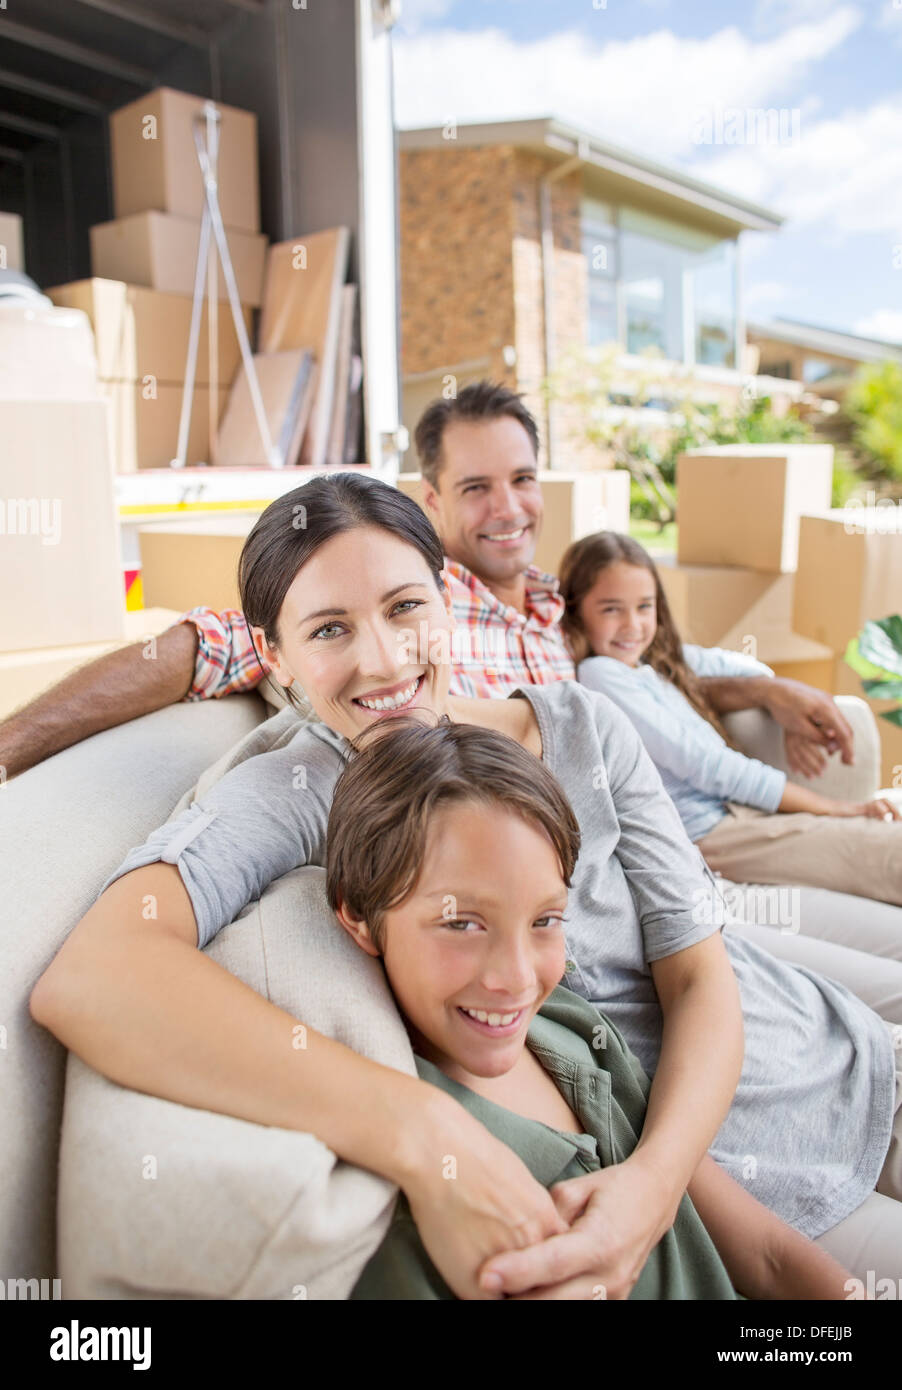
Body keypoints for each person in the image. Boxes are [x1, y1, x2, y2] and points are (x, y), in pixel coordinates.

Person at [30, 473, 902, 1297]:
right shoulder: (297, 790)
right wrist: (423, 1131)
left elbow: (702, 971)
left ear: (446, 604)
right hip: (731, 1169)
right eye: (329, 630)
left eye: (407, 608)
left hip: (808, 1051)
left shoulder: (585, 725)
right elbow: (96, 974)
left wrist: (653, 1187)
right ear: (278, 659)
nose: (382, 660)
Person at [328, 717, 853, 1301]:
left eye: (545, 921)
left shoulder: (574, 1031)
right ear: (357, 914)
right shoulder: (420, 1189)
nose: (518, 979)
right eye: (462, 923)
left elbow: (767, 1255)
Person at [558, 531, 902, 913]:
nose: (632, 625)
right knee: (885, 853)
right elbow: (707, 766)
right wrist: (835, 808)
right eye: (610, 609)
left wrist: (778, 701)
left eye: (644, 606)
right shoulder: (601, 674)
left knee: (882, 838)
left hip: (734, 816)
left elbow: (745, 668)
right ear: (576, 612)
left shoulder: (648, 666)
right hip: (711, 834)